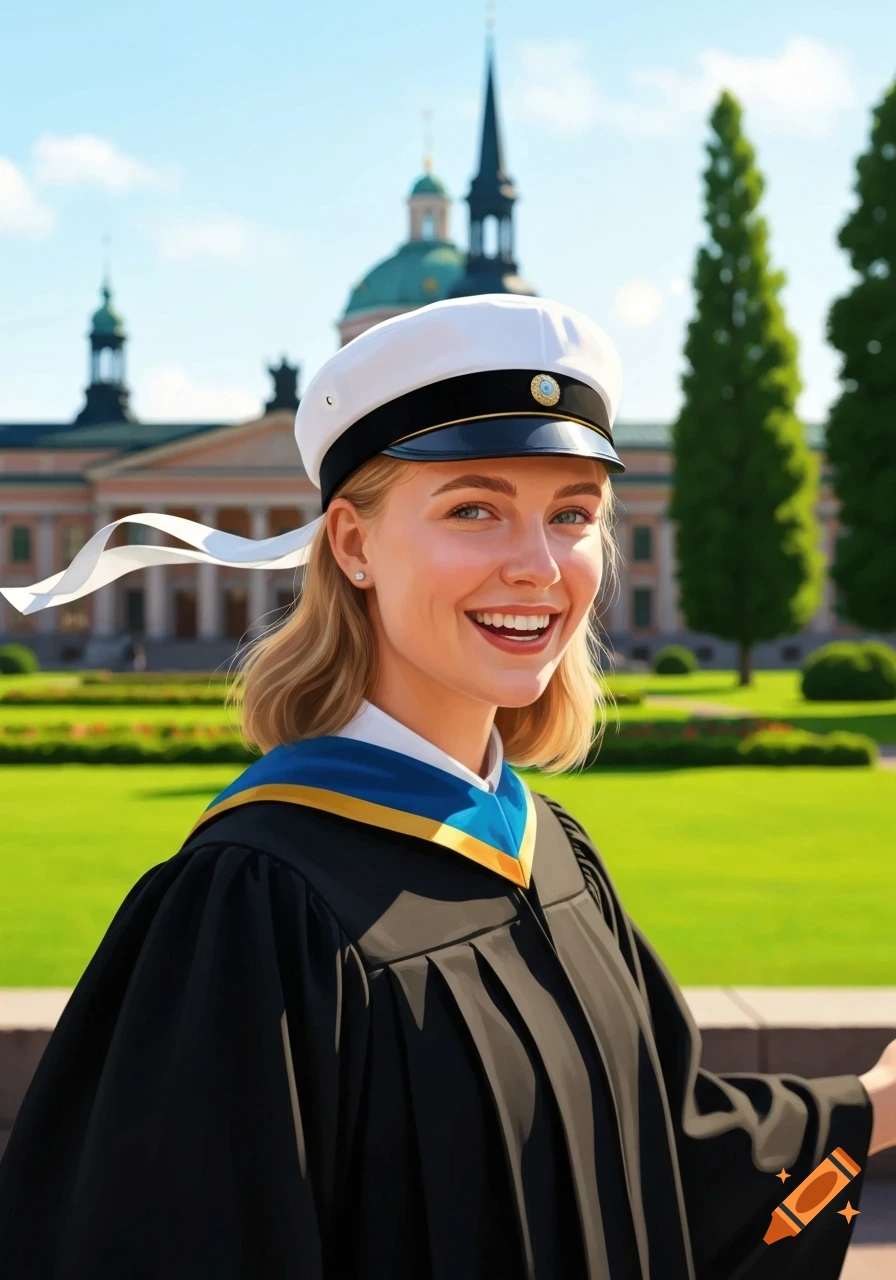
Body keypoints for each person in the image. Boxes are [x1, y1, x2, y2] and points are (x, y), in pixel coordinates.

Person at [0, 293, 893, 1279]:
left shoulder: (552, 851)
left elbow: (658, 1159)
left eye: (571, 515)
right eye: (474, 508)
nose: (536, 565)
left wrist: (875, 1100)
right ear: (350, 544)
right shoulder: (256, 906)